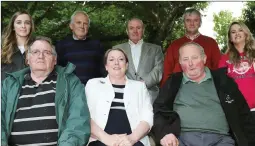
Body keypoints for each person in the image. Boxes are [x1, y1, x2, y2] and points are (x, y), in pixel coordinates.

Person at [153, 42, 255, 146]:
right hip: (182, 140)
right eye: (185, 59)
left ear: (204, 59)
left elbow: (244, 114)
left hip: (221, 140)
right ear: (180, 62)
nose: (190, 63)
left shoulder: (224, 82)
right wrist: (165, 133)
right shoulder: (173, 82)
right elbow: (159, 110)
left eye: (194, 58)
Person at [1, 36, 90, 146]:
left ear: (55, 60)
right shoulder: (9, 84)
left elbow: (78, 121)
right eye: (35, 52)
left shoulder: (70, 82)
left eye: (47, 52)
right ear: (27, 59)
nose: (41, 56)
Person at [85, 48, 153, 146]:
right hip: (100, 140)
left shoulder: (140, 87)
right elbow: (85, 116)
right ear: (106, 66)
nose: (116, 63)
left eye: (121, 59)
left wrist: (131, 139)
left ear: (126, 65)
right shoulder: (93, 84)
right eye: (111, 60)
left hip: (133, 141)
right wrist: (106, 138)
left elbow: (147, 118)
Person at [161, 8, 221, 86]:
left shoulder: (211, 43)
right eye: (188, 20)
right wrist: (165, 92)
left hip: (205, 87)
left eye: (195, 20)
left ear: (200, 23)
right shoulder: (174, 45)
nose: (192, 23)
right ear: (184, 23)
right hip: (179, 88)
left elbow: (218, 67)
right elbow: (167, 71)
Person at [113, 18, 164, 103]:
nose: (135, 31)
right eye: (131, 28)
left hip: (149, 96)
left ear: (143, 30)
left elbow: (158, 70)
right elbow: (114, 70)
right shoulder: (117, 49)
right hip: (124, 95)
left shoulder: (155, 49)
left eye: (138, 28)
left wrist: (142, 84)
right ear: (127, 31)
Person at [55, 10, 105, 85]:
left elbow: (103, 69)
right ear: (71, 26)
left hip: (93, 90)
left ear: (88, 27)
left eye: (85, 24)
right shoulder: (61, 46)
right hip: (70, 91)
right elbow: (57, 71)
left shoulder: (97, 45)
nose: (82, 26)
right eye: (78, 22)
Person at [219, 21, 255, 116]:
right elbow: (222, 84)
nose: (237, 33)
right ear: (230, 38)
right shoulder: (224, 59)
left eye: (240, 30)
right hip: (237, 110)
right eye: (233, 32)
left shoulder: (254, 54)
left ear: (246, 33)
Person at [1, 11, 35, 80]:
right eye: (19, 22)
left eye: (27, 23)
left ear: (31, 26)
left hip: (30, 88)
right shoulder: (3, 46)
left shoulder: (37, 47)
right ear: (13, 26)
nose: (23, 26)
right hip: (6, 88)